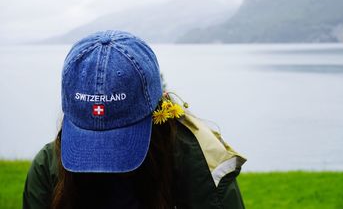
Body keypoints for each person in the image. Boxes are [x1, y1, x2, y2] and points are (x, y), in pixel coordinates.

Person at [23, 30, 246, 209]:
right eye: (90, 140)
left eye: (119, 138)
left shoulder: (199, 173)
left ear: (157, 115)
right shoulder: (47, 169)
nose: (103, 164)